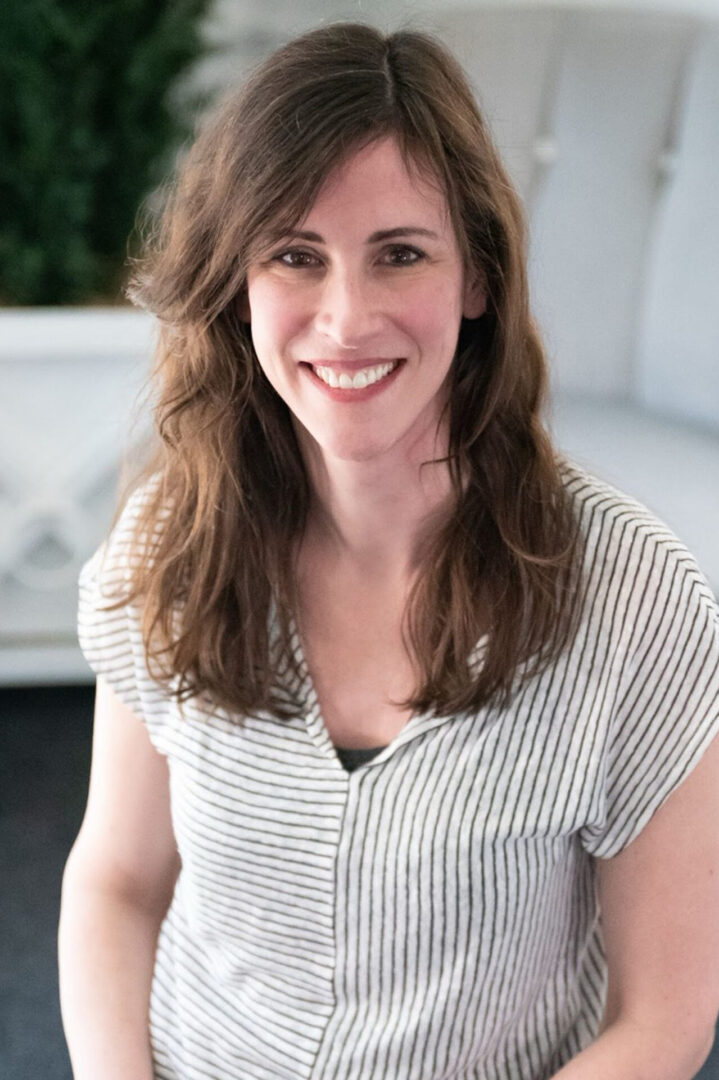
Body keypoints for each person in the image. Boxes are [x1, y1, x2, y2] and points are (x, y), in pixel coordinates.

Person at [58, 21, 719, 1080]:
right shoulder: (172, 541)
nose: (346, 316)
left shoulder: (634, 596)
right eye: (293, 255)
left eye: (399, 254)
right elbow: (119, 880)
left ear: (478, 279)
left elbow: (665, 1015)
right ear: (238, 282)